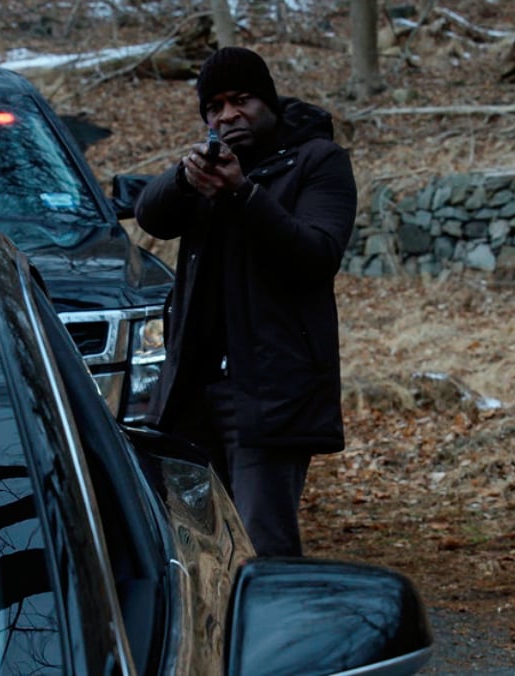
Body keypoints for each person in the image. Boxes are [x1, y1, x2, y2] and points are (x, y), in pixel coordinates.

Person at [134, 46, 357, 557]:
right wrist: (186, 177)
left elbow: (317, 254)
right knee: (197, 541)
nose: (228, 114)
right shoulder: (208, 171)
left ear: (269, 103)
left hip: (271, 389)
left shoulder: (318, 161)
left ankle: (275, 634)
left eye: (241, 100)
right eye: (214, 106)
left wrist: (242, 193)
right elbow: (151, 215)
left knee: (264, 543)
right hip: (194, 385)